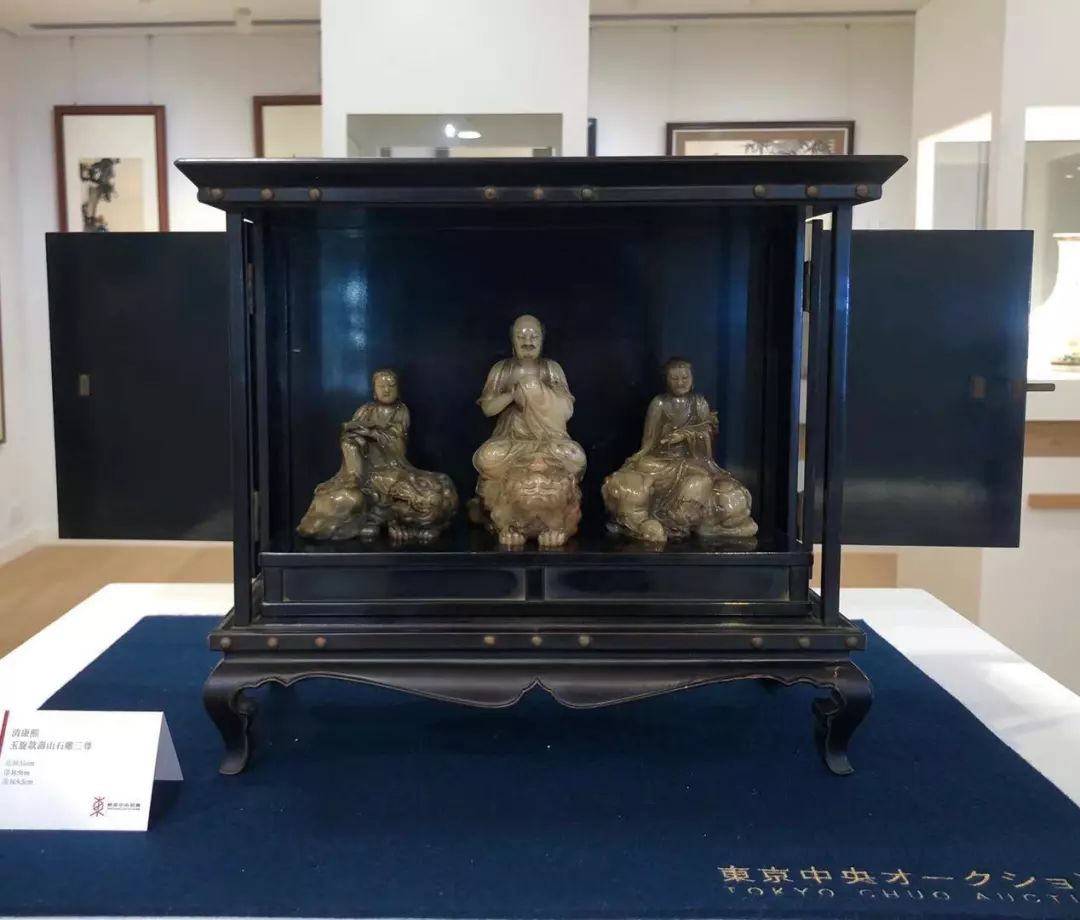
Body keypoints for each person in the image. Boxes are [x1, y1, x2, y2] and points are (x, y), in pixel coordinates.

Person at [603, 358, 757, 543]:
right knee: (644, 465)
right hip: (662, 460)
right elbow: (649, 442)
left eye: (685, 378)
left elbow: (706, 432)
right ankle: (653, 518)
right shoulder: (659, 404)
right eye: (674, 378)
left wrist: (685, 435)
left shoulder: (699, 403)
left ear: (692, 379)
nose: (680, 382)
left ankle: (675, 518)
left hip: (693, 460)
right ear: (666, 380)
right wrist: (660, 444)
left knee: (702, 478)